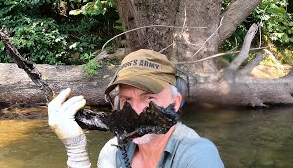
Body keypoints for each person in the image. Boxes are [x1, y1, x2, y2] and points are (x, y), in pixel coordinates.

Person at [48, 49, 224, 168]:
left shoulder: (198, 155)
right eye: (127, 99)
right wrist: (76, 149)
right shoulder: (113, 151)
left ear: (176, 102)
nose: (137, 110)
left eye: (149, 98)